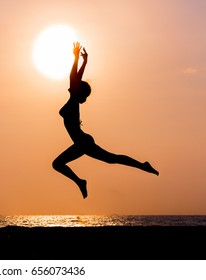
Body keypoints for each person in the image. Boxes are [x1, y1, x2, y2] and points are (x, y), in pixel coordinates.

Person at [52, 42, 159, 199]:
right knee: (111, 159)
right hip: (83, 141)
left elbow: (73, 77)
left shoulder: (73, 101)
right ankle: (142, 165)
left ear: (76, 90)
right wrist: (83, 61)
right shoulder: (72, 100)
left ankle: (80, 182)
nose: (70, 86)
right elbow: (75, 79)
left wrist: (77, 59)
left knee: (58, 164)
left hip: (83, 142)